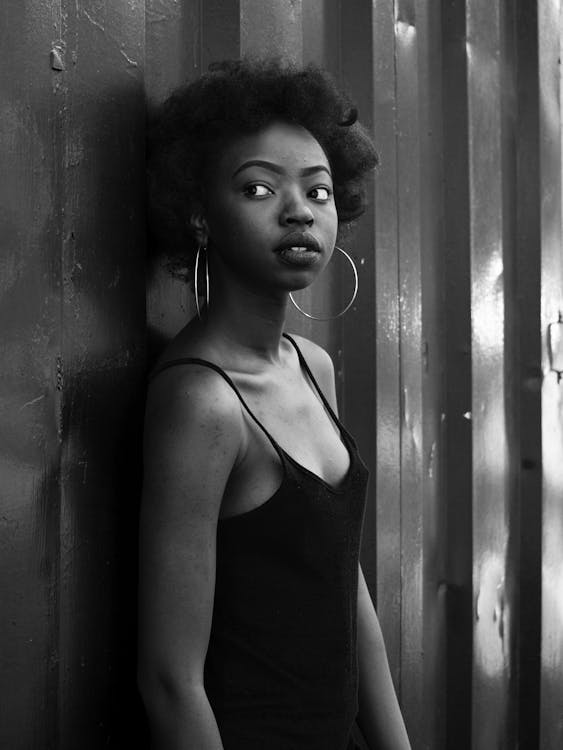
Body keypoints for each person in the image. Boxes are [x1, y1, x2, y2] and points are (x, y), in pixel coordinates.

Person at [138, 58, 411, 750]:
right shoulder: (201, 400)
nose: (298, 210)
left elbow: (342, 588)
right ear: (199, 214)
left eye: (318, 192)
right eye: (258, 188)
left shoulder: (311, 365)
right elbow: (170, 680)